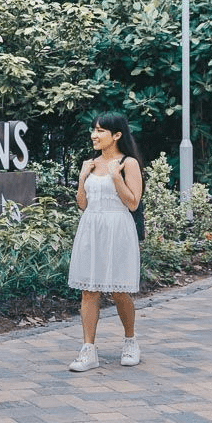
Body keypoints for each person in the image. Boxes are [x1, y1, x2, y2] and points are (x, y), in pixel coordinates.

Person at [67, 112, 145, 372]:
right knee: (89, 289)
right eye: (94, 130)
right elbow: (82, 204)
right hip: (91, 227)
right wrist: (81, 179)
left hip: (118, 228)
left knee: (119, 289)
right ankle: (88, 350)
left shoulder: (128, 163)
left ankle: (130, 341)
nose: (94, 135)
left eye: (100, 131)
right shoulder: (89, 163)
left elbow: (133, 202)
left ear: (117, 135)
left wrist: (115, 177)